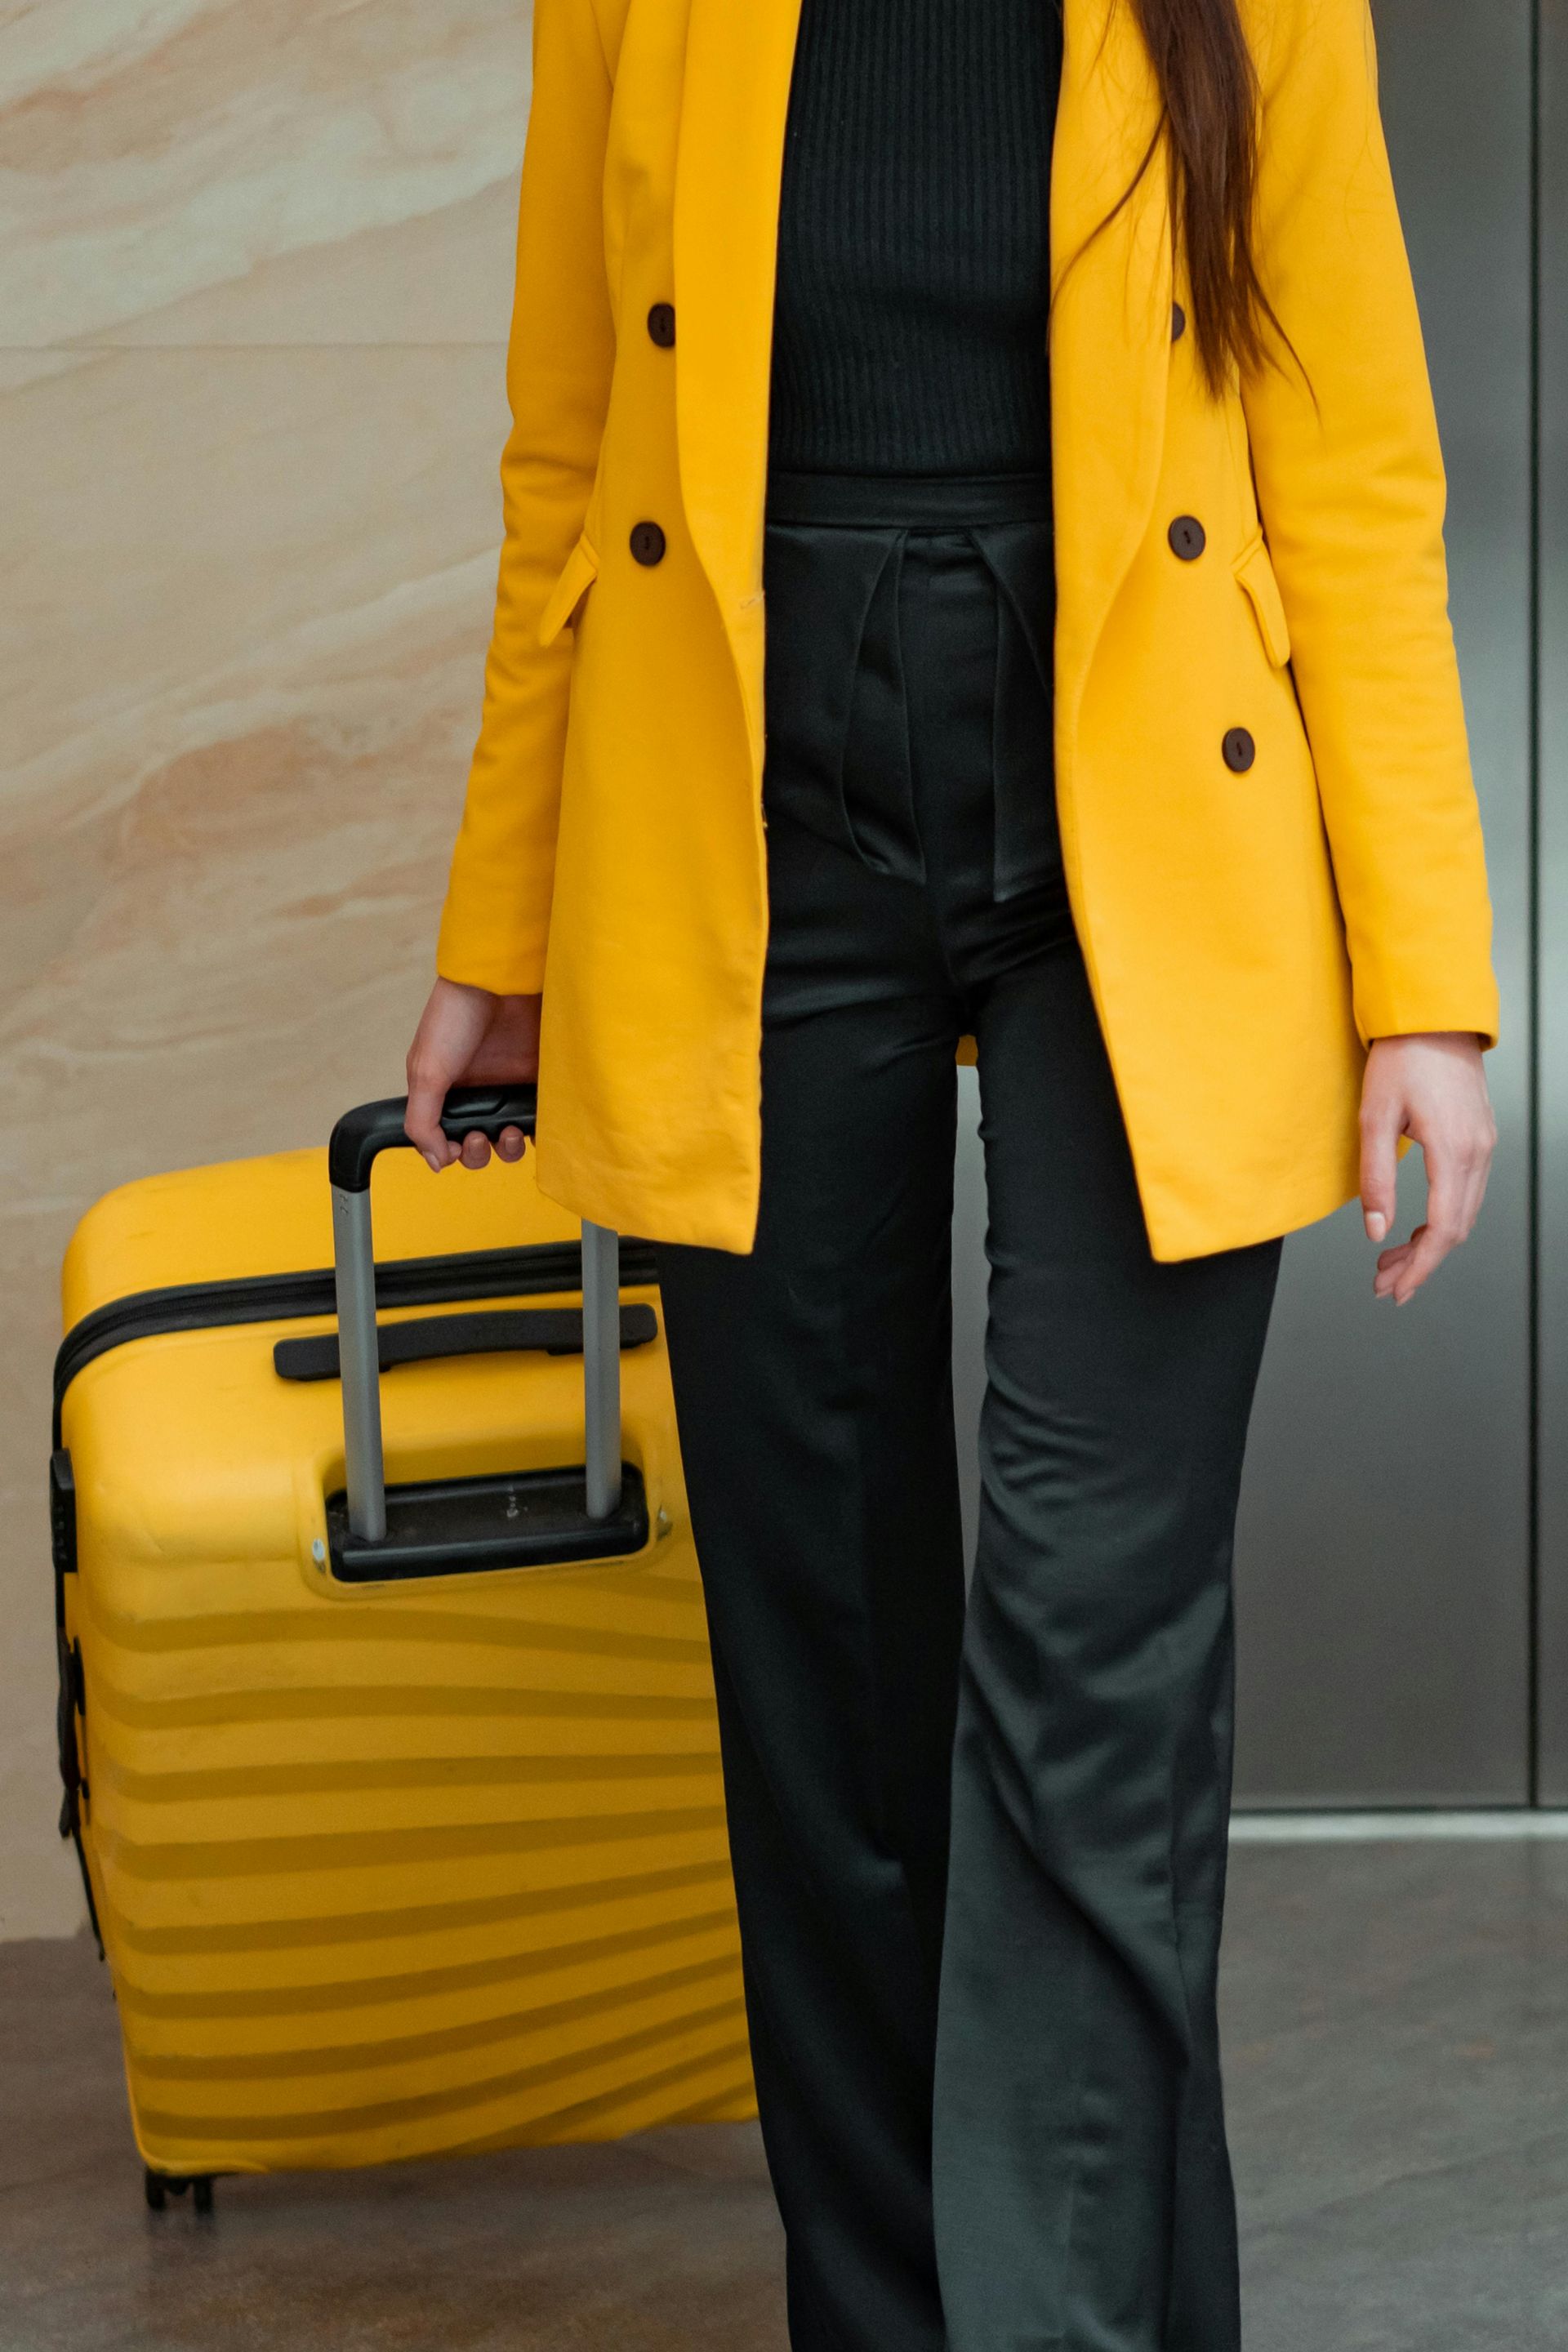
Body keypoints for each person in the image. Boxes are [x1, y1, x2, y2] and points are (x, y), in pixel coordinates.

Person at [403, 0, 1499, 2343]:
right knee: (828, 1672)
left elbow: (1360, 458)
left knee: (1092, 1665)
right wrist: (501, 930)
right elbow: (569, 446)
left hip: (1155, 815)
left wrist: (1423, 982)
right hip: (753, 818)